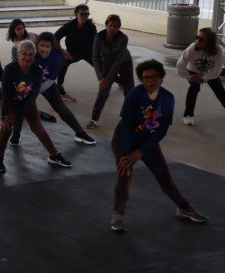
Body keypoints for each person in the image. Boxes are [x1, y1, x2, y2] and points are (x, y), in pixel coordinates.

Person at [109, 60, 208, 232]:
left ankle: (183, 207)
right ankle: (118, 214)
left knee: (164, 176)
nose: (150, 81)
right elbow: (125, 126)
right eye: (146, 78)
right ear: (141, 80)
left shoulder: (167, 98)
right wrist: (128, 154)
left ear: (161, 78)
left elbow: (161, 130)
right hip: (124, 141)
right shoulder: (135, 95)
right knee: (125, 176)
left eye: (154, 77)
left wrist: (141, 151)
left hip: (147, 141)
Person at [0, 40, 72, 174]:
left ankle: (54, 155)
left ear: (34, 56)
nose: (27, 57)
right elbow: (6, 94)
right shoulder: (9, 69)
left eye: (31, 54)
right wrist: (7, 115)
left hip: (26, 100)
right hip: (9, 101)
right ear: (18, 55)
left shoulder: (37, 71)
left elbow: (34, 95)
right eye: (24, 54)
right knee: (6, 126)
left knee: (37, 126)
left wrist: (18, 112)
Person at [9, 32, 96, 147]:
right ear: (37, 45)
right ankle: (15, 137)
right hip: (26, 83)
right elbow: (17, 68)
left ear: (52, 47)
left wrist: (34, 92)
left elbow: (51, 79)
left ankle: (80, 133)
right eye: (42, 45)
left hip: (45, 82)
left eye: (47, 46)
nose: (44, 49)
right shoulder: (31, 54)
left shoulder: (56, 57)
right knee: (21, 108)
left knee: (60, 107)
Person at [88, 14, 134, 129]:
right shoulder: (98, 36)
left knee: (129, 91)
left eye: (115, 26)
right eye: (110, 25)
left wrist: (107, 79)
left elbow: (118, 60)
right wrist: (101, 78)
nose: (112, 28)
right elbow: (95, 57)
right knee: (103, 91)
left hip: (124, 63)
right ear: (106, 25)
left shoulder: (123, 38)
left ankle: (130, 118)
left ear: (119, 27)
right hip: (107, 64)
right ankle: (94, 120)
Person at [176, 27, 225, 126]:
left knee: (219, 91)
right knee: (194, 89)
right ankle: (188, 115)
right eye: (197, 37)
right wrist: (189, 77)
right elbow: (180, 64)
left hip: (210, 73)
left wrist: (205, 78)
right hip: (193, 72)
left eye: (201, 39)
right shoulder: (192, 48)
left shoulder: (219, 51)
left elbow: (216, 69)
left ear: (210, 42)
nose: (197, 40)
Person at [55, 4, 97, 102]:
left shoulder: (91, 27)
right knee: (63, 64)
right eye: (82, 14)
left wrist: (74, 56)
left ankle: (119, 81)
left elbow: (90, 45)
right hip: (71, 51)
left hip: (88, 52)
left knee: (102, 68)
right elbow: (55, 37)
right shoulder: (69, 26)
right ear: (76, 14)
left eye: (87, 14)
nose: (84, 16)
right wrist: (63, 52)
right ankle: (59, 86)